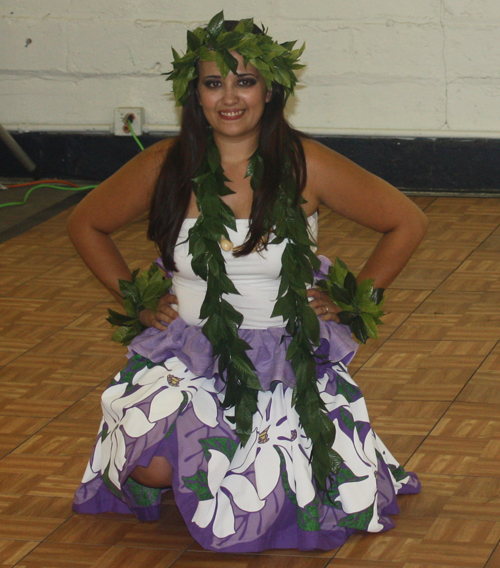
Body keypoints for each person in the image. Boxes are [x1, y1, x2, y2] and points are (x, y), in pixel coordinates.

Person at [68, 13, 427, 553]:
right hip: (187, 353)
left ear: (271, 90)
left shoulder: (303, 163)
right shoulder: (168, 163)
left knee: (280, 483)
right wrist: (138, 304)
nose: (229, 97)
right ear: (196, 95)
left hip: (283, 361)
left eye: (245, 81)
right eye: (214, 83)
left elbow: (407, 221)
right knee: (155, 469)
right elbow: (86, 224)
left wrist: (353, 301)